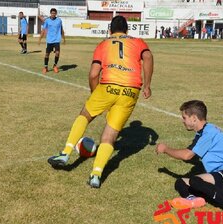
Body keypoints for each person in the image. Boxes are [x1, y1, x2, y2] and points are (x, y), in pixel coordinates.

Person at [47, 16, 154, 188]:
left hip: (108, 86)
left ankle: (65, 153)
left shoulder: (103, 44)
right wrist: (147, 85)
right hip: (131, 90)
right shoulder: (138, 41)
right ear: (127, 30)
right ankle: (96, 175)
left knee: (86, 114)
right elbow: (148, 57)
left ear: (110, 30)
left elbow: (93, 74)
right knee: (110, 135)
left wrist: (95, 94)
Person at [155, 100, 223, 224]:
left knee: (195, 181)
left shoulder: (208, 133)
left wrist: (165, 149)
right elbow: (191, 155)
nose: (183, 120)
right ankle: (194, 200)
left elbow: (187, 155)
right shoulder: (203, 132)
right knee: (181, 182)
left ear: (194, 118)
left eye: (184, 117)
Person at [38, 8, 66, 74]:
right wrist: (40, 38)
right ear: (50, 13)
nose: (53, 14)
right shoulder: (47, 21)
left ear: (56, 14)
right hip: (49, 40)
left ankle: (55, 66)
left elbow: (61, 29)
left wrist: (64, 38)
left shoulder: (59, 20)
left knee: (57, 53)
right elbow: (43, 30)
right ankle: (45, 67)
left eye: (54, 13)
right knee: (47, 54)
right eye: (52, 13)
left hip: (57, 39)